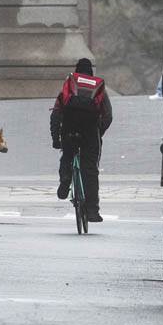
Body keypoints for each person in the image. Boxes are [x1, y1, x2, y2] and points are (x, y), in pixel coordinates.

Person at [50, 58, 113, 222]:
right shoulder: (98, 88)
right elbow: (108, 116)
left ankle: (65, 180)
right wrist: (98, 132)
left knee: (67, 156)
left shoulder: (70, 85)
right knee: (90, 170)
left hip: (69, 129)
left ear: (76, 71)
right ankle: (92, 211)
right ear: (91, 73)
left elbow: (56, 113)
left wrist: (56, 139)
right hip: (90, 132)